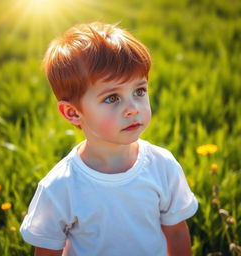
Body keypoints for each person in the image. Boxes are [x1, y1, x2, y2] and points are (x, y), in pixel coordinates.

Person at [20, 22, 198, 256]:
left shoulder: (162, 165)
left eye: (139, 91)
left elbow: (175, 232)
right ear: (73, 113)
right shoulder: (60, 187)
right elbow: (47, 250)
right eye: (112, 98)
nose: (133, 108)